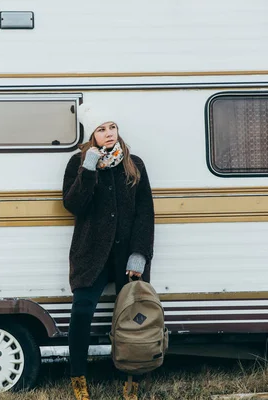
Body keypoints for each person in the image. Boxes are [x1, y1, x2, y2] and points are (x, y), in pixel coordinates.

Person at [62, 105, 155, 400]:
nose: (108, 133)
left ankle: (133, 378)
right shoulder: (78, 163)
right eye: (101, 129)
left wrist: (139, 253)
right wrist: (89, 168)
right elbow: (74, 205)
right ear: (93, 135)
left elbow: (145, 213)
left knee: (134, 317)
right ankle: (78, 378)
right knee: (81, 313)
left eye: (111, 126)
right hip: (91, 253)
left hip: (127, 255)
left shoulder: (134, 163)